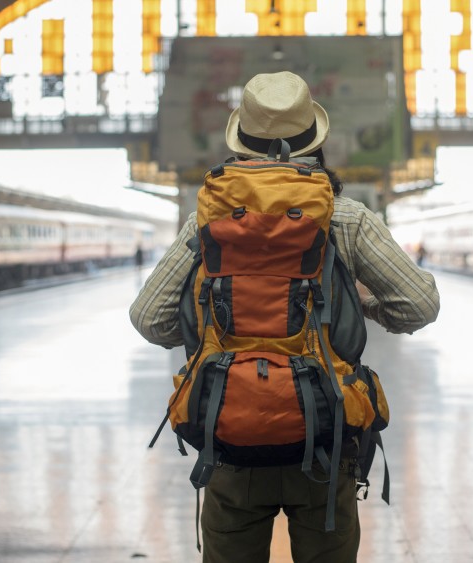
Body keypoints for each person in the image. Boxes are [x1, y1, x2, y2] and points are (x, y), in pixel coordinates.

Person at [130, 71, 440, 563]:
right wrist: (362, 304)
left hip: (229, 434)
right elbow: (420, 305)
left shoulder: (205, 222)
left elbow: (148, 318)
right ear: (314, 143)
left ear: (241, 143)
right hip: (325, 432)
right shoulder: (345, 218)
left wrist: (206, 327)